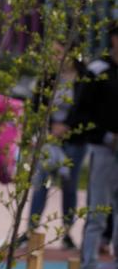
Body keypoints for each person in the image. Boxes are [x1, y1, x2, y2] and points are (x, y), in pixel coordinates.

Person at [17, 41, 91, 250]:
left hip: (74, 139)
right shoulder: (46, 78)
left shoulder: (84, 78)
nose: (56, 58)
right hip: (49, 138)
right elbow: (36, 105)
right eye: (53, 53)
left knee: (70, 184)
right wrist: (50, 128)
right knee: (41, 181)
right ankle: (31, 229)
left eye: (60, 53)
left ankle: (67, 232)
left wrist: (68, 126)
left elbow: (87, 108)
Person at [69, 22, 118, 269]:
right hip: (104, 150)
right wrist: (105, 136)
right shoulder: (97, 71)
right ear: (113, 39)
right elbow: (80, 113)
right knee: (98, 212)